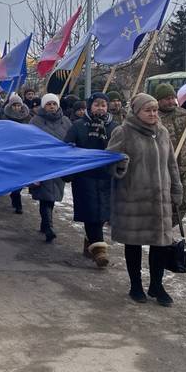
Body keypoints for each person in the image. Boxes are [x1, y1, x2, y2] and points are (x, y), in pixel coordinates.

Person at [106, 93, 182, 306]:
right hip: (133, 198)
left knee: (160, 243)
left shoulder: (162, 132)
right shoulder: (123, 132)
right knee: (134, 243)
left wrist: (177, 188)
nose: (153, 114)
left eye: (155, 110)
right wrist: (120, 165)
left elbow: (171, 164)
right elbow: (108, 161)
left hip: (159, 198)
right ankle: (135, 285)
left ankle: (157, 285)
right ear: (136, 112)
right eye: (147, 110)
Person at [65, 92, 115, 267]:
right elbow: (67, 147)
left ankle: (90, 241)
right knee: (91, 212)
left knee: (103, 213)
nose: (100, 108)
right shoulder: (78, 126)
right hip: (84, 176)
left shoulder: (114, 127)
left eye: (103, 105)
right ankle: (100, 250)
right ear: (89, 106)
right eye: (97, 104)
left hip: (106, 176)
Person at [154, 83, 186, 226]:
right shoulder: (153, 117)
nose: (171, 102)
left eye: (173, 98)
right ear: (158, 100)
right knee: (163, 204)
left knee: (183, 204)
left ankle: (168, 228)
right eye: (166, 99)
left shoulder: (184, 114)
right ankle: (161, 230)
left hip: (182, 168)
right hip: (162, 169)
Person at [29, 93, 73, 242]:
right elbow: (30, 142)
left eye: (54, 104)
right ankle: (49, 226)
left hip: (59, 164)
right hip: (42, 163)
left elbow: (71, 138)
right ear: (43, 106)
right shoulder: (35, 121)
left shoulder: (66, 121)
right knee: (45, 196)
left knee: (52, 196)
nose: (52, 107)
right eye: (48, 104)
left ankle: (45, 223)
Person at [2, 93, 31, 214]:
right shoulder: (4, 118)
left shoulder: (28, 118)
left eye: (18, 105)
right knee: (12, 175)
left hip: (23, 151)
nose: (16, 107)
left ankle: (16, 196)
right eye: (14, 105)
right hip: (9, 151)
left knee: (21, 176)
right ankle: (15, 196)